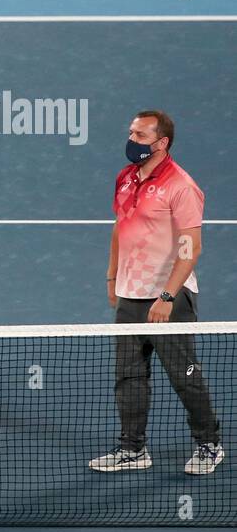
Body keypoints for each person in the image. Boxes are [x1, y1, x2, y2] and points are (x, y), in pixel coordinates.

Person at [90, 110, 224, 476]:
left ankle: (209, 444)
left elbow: (190, 247)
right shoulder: (126, 178)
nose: (132, 140)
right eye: (131, 132)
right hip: (130, 293)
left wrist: (166, 297)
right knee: (128, 376)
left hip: (170, 297)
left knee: (184, 375)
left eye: (140, 135)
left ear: (161, 142)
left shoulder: (181, 186)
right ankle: (132, 449)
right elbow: (121, 227)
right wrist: (112, 277)